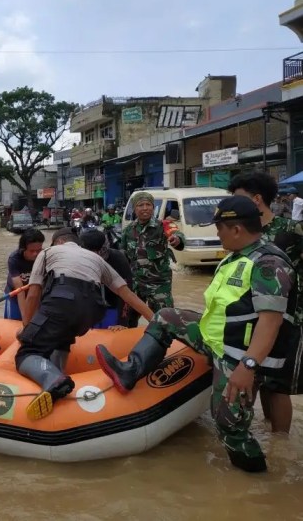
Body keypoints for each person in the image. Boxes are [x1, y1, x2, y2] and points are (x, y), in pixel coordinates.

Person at [96, 196, 299, 473]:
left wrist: (247, 366)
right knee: (165, 316)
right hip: (216, 340)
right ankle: (130, 370)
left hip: (239, 354)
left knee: (228, 423)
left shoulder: (268, 265)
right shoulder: (237, 258)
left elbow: (270, 322)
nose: (216, 233)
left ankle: (256, 478)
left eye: (219, 228)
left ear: (237, 229)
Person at [16, 228, 154, 420]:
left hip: (62, 300)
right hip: (93, 311)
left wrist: (26, 328)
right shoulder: (95, 258)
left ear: (58, 243)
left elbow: (33, 293)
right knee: (63, 337)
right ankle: (59, 382)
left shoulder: (48, 252)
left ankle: (52, 379)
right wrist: (155, 320)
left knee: (26, 352)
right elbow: (127, 294)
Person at [227, 171, 303, 433]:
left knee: (277, 385)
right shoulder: (244, 231)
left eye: (239, 198)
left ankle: (279, 442)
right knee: (252, 376)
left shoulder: (291, 229)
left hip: (286, 318)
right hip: (250, 317)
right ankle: (254, 433)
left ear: (257, 199)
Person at [121, 192, 185, 327]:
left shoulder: (164, 225)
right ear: (134, 209)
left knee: (165, 322)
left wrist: (176, 240)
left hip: (159, 285)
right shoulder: (128, 231)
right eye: (140, 205)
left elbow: (176, 235)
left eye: (148, 205)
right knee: (127, 322)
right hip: (136, 286)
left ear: (153, 207)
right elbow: (123, 257)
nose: (145, 208)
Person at [80, 229, 133, 329]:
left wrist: (122, 322)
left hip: (112, 306)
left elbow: (127, 292)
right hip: (88, 307)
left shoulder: (118, 259)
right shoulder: (77, 258)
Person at [4, 229, 45, 321]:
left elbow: (41, 286)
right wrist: (25, 319)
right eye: (31, 251)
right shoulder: (14, 259)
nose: (36, 254)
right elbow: (20, 290)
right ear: (23, 248)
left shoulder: (44, 257)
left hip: (34, 294)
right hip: (15, 295)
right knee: (16, 323)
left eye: (39, 250)